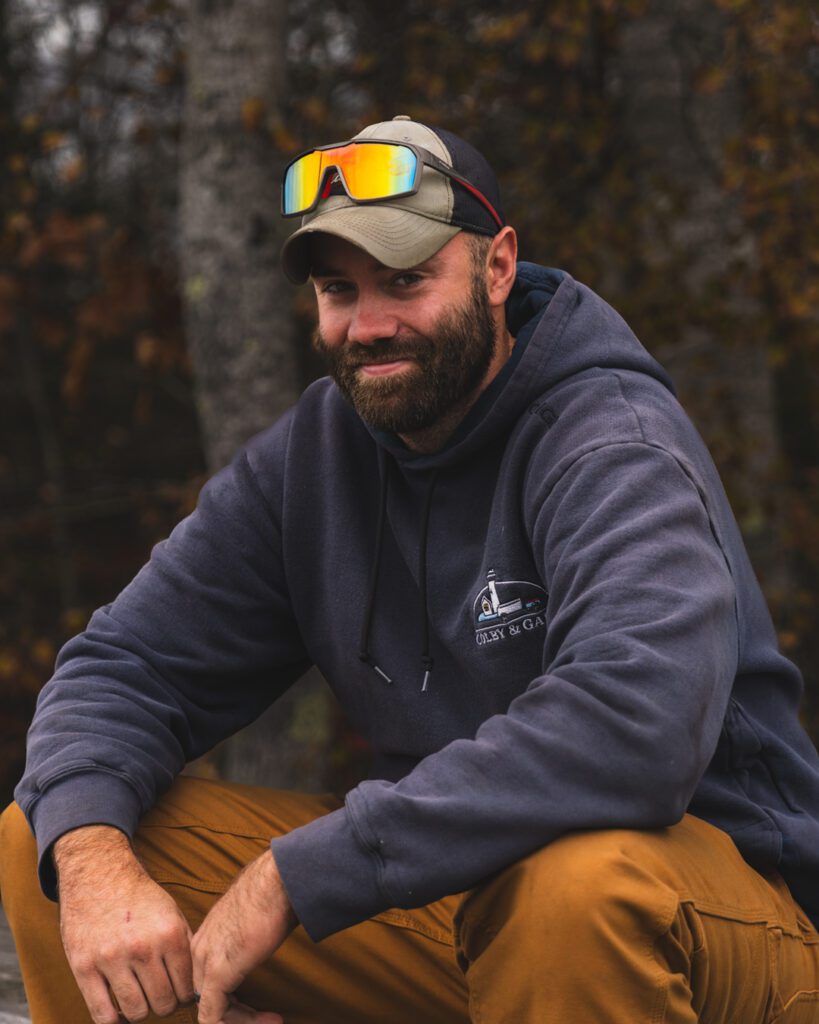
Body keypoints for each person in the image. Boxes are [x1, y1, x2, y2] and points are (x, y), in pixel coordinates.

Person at [2, 114, 819, 1024]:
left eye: (405, 280)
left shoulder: (609, 440)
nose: (370, 325)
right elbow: (122, 669)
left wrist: (294, 874)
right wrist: (92, 862)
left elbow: (639, 725)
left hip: (724, 923)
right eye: (337, 290)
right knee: (59, 836)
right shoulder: (315, 458)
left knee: (572, 887)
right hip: (458, 904)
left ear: (497, 267)